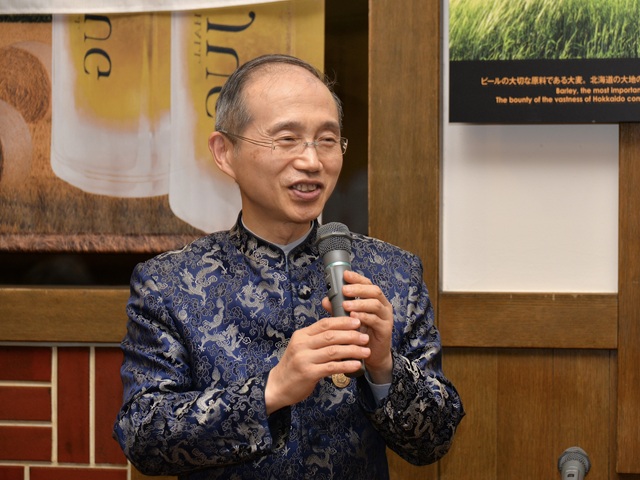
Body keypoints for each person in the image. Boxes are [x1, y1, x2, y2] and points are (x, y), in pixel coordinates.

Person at [113, 53, 464, 479]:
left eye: (327, 140)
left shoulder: (393, 274)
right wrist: (271, 390)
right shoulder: (169, 284)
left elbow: (435, 441)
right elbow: (143, 437)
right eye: (287, 139)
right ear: (225, 152)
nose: (312, 161)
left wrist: (383, 366)